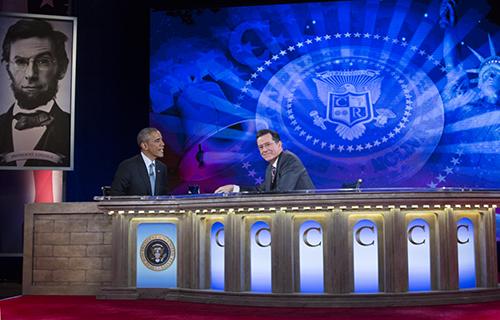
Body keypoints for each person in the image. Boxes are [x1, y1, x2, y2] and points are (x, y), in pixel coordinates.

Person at [0, 19, 71, 167]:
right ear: (7, 68)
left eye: (43, 61)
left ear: (62, 68)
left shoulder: (72, 128)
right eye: (20, 62)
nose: (31, 74)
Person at [215, 129, 315, 193]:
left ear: (279, 145)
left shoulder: (289, 160)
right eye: (261, 147)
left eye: (268, 145)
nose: (264, 150)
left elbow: (282, 192)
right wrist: (234, 188)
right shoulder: (270, 168)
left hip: (307, 215)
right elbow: (261, 190)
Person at [110, 127, 168, 196]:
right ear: (144, 145)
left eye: (162, 140)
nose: (163, 144)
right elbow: (116, 195)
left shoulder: (162, 167)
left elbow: (164, 197)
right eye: (157, 140)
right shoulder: (127, 166)